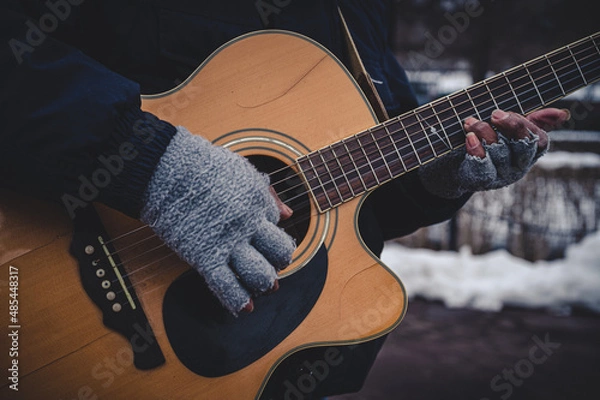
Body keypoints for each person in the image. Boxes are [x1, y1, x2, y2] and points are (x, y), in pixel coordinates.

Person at [0, 1, 570, 398]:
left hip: (275, 362)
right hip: (49, 286)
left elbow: (352, 198)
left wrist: (440, 180)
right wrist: (146, 163)